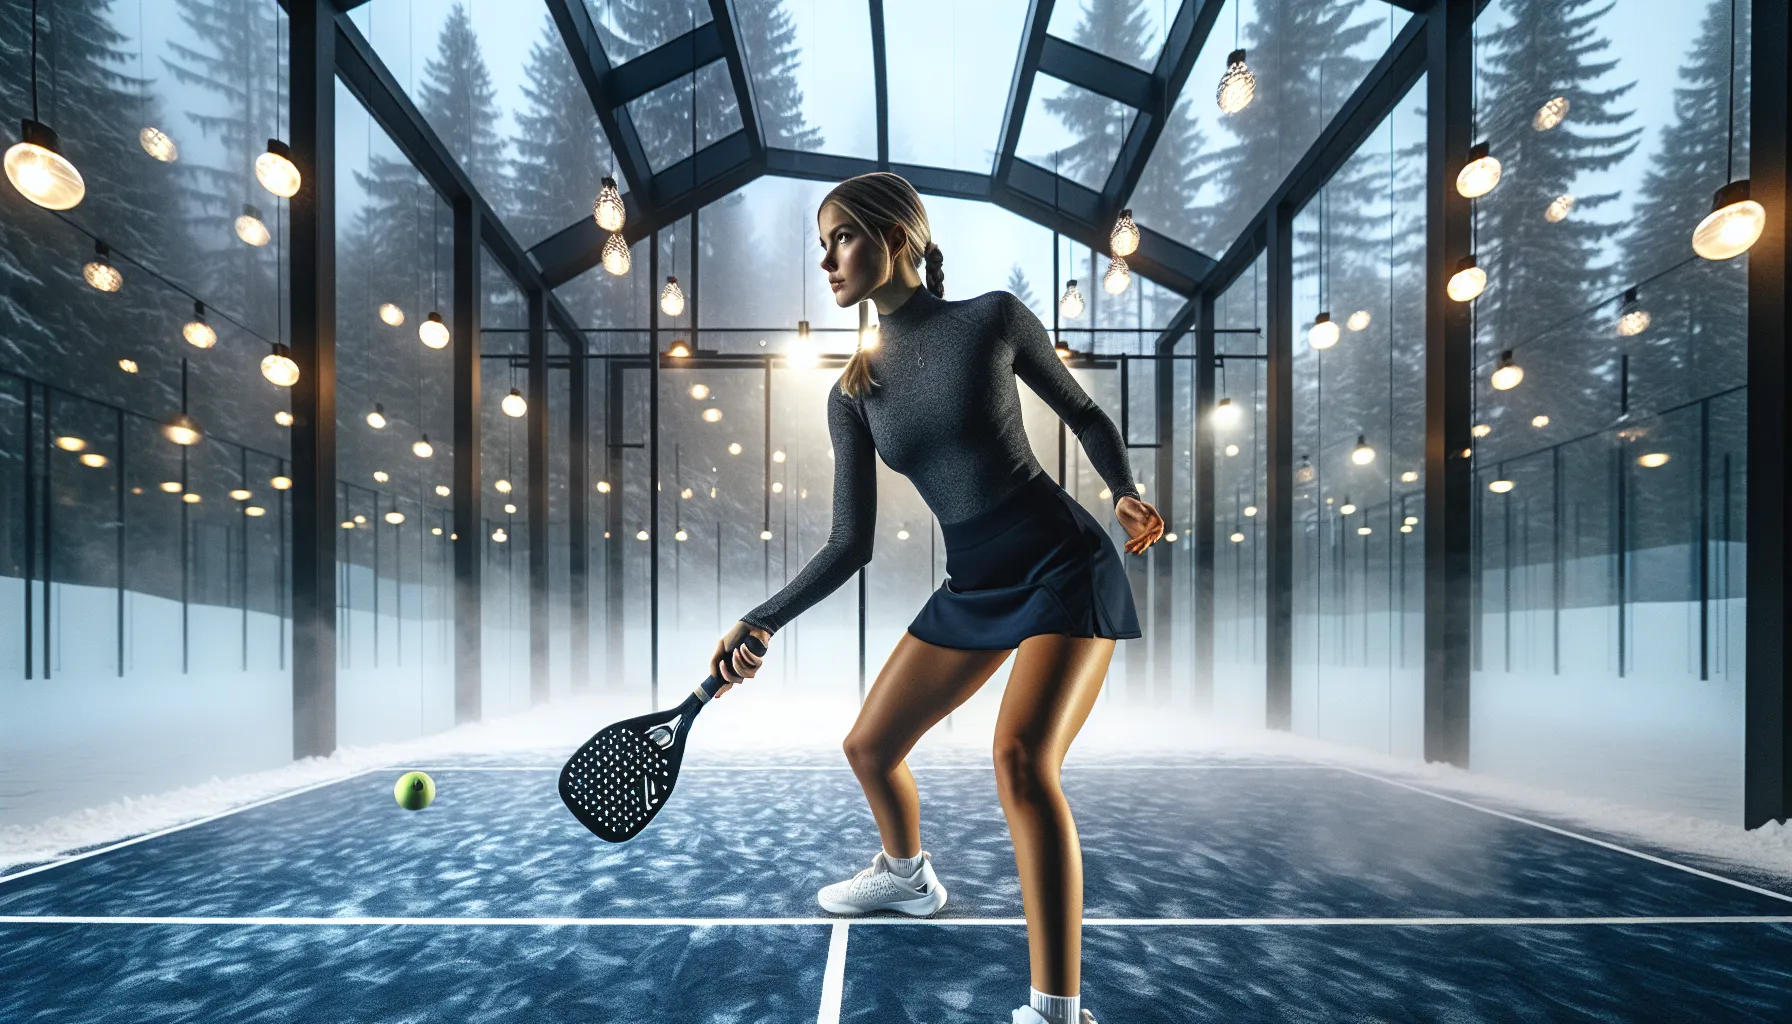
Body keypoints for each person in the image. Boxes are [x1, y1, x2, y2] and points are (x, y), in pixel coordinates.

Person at [707, 172, 1163, 1024]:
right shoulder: (853, 393)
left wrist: (1126, 491)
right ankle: (908, 877)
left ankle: (1057, 1013)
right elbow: (850, 544)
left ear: (897, 237)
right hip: (975, 581)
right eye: (822, 244)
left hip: (1062, 565)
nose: (827, 259)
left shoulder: (990, 319)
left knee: (1021, 761)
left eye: (842, 237)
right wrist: (762, 618)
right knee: (869, 747)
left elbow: (1085, 415)